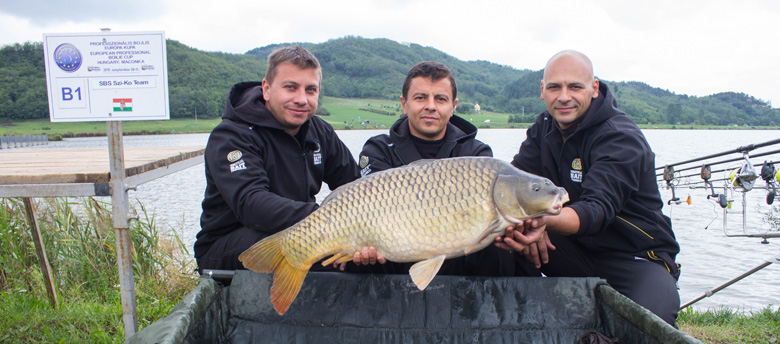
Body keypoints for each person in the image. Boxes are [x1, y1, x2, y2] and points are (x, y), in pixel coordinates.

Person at [495, 50, 681, 326]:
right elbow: (513, 188)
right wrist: (528, 227)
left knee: (651, 322)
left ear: (594, 89)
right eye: (555, 87)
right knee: (505, 240)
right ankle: (518, 325)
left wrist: (541, 221)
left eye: (575, 87)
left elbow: (596, 210)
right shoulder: (542, 129)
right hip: (569, 249)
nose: (564, 96)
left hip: (633, 256)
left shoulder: (620, 136)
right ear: (542, 90)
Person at [345, 61, 523, 277]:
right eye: (421, 98)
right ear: (404, 103)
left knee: (498, 241)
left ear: (453, 105)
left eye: (440, 99)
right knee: (363, 254)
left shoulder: (476, 154)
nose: (431, 106)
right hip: (393, 254)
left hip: (458, 264)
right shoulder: (378, 149)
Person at [194, 46, 360, 271]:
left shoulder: (320, 131)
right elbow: (252, 204)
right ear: (267, 89)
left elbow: (354, 183)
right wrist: (328, 219)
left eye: (310, 90)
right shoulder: (232, 136)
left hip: (300, 230)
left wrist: (366, 230)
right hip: (230, 242)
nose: (302, 99)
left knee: (368, 256)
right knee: (311, 249)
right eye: (291, 88)